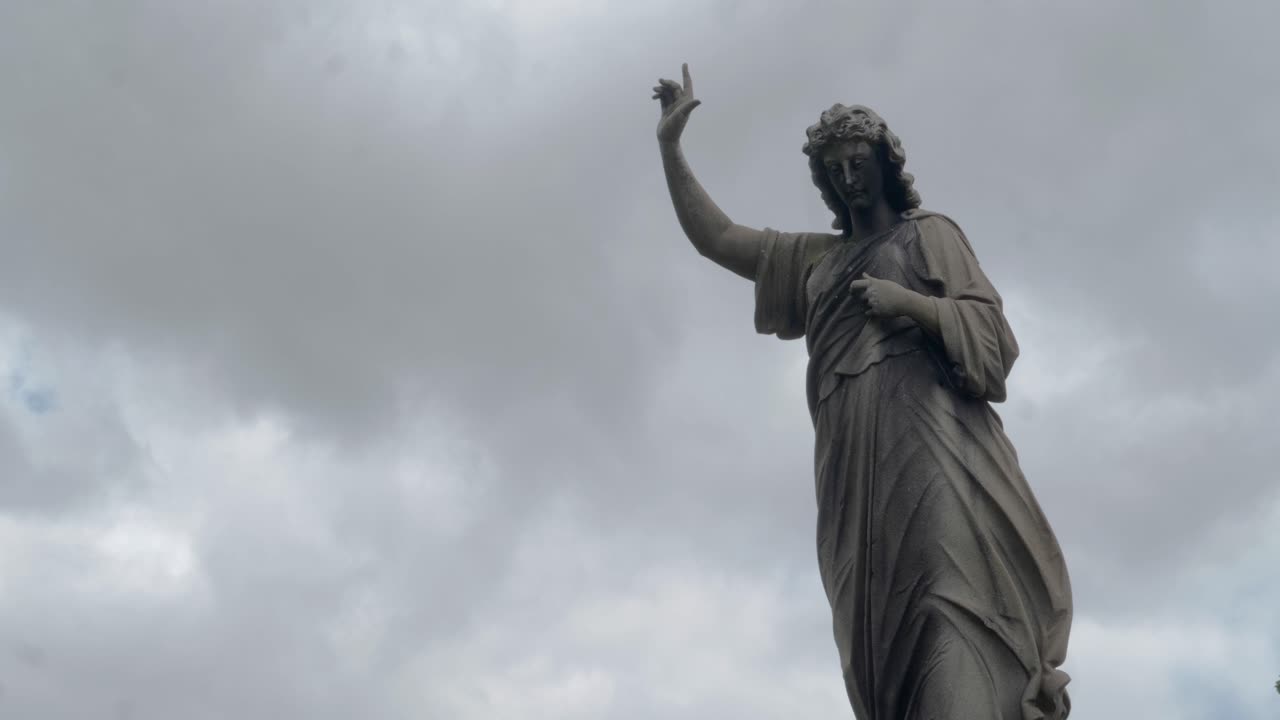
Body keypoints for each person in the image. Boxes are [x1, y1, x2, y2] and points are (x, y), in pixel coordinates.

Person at [653, 64, 1073, 720]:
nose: (848, 180)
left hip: (931, 442)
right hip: (850, 460)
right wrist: (670, 149)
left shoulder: (929, 234)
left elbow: (994, 338)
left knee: (946, 598)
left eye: (857, 164)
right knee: (875, 629)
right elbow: (720, 239)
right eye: (834, 171)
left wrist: (908, 303)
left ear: (883, 162)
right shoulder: (815, 260)